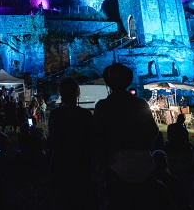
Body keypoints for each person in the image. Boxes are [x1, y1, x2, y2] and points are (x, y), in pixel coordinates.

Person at [92, 63, 161, 209]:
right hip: (143, 162)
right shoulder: (140, 103)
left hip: (116, 164)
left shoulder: (103, 106)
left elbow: (97, 137)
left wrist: (104, 160)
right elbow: (153, 132)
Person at [47, 76, 96, 210]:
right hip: (81, 165)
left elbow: (52, 139)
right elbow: (91, 142)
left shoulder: (55, 115)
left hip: (60, 164)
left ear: (61, 94)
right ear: (77, 93)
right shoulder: (86, 115)